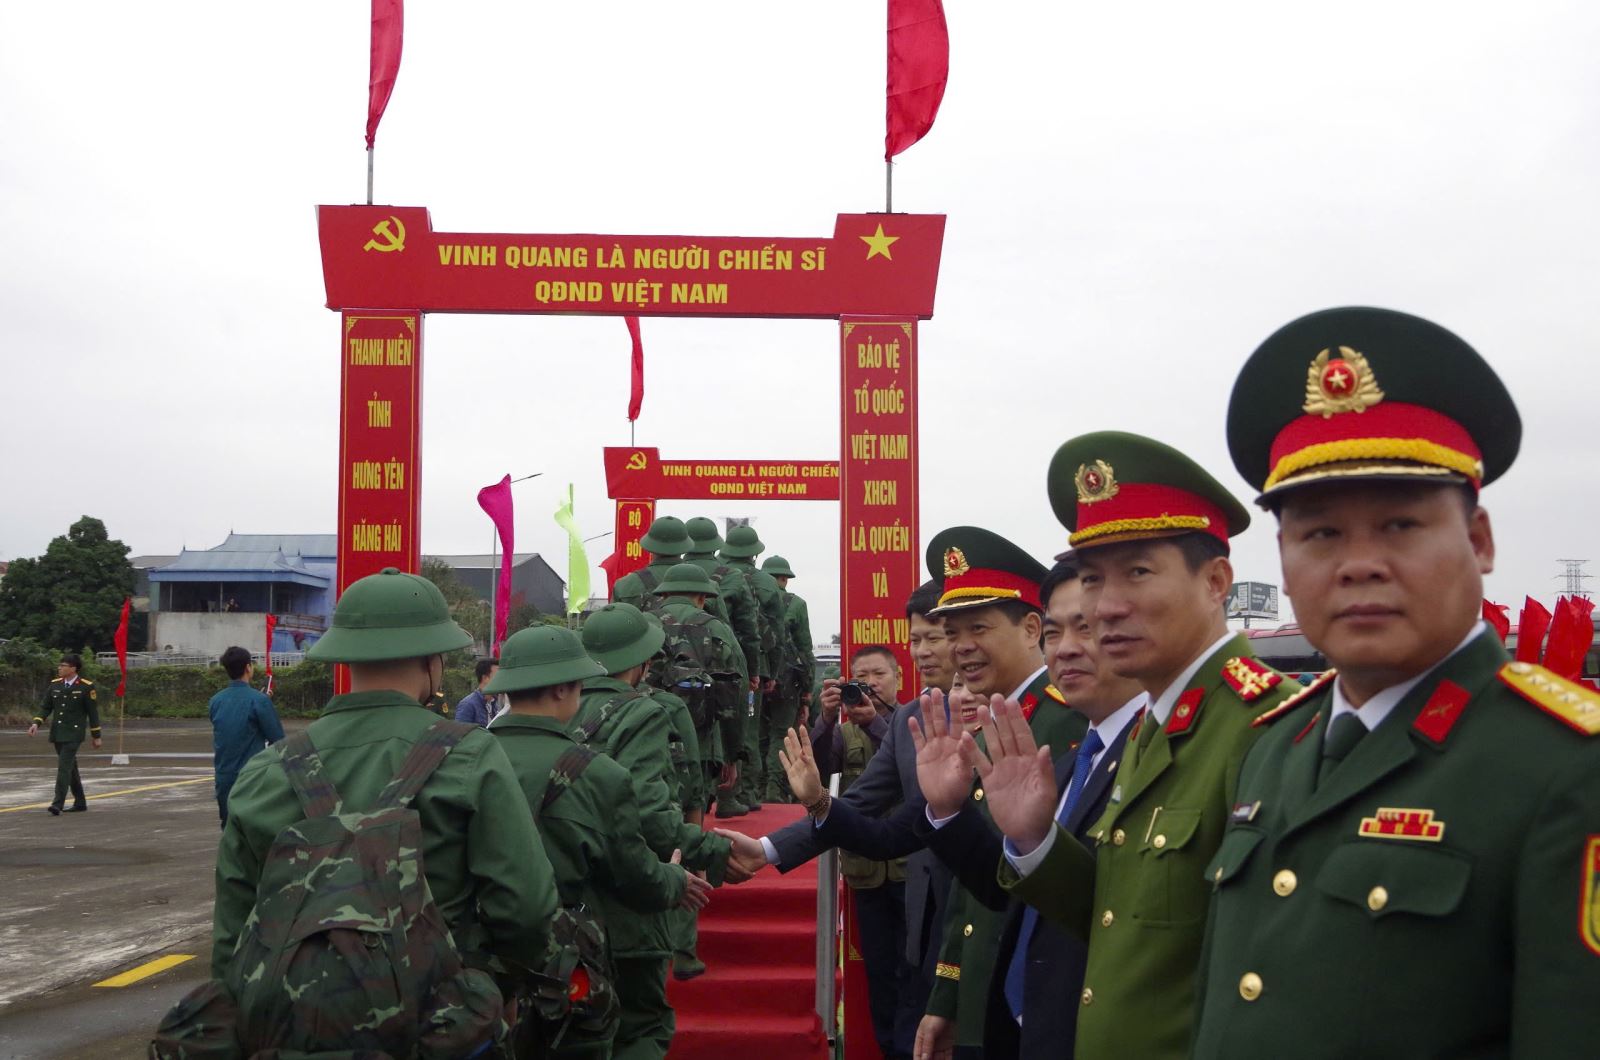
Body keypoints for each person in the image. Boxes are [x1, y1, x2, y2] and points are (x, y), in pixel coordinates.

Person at [1184, 306, 1600, 1057]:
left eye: (1400, 525)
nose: (1358, 564)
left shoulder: (1566, 768)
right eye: (1320, 533)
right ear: (1283, 562)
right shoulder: (1277, 745)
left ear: (1480, 541)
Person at [977, 433, 1296, 1059]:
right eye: (1093, 579)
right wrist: (1037, 840)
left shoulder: (1267, 724)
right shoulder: (1157, 722)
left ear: (1216, 581)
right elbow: (1129, 924)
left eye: (1138, 572)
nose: (1107, 607)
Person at [213, 568, 559, 1030]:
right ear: (433, 659)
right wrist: (501, 987)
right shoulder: (471, 756)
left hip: (295, 1030)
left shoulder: (266, 771)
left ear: (346, 655)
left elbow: (233, 932)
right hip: (439, 1023)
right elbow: (526, 907)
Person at [911, 559, 1146, 1059]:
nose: (1067, 648)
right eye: (1058, 632)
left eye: (1086, 628)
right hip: (1015, 1012)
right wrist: (948, 812)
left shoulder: (1103, 735)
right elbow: (1006, 891)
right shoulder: (1067, 742)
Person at [718, 580, 956, 1029]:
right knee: (900, 1016)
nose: (923, 651)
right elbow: (860, 802)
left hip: (976, 917)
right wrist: (767, 849)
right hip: (913, 899)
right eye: (916, 640)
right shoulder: (910, 721)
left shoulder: (1001, 710)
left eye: (936, 638)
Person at [485, 624, 711, 1059]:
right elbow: (632, 868)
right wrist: (675, 880)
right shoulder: (599, 774)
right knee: (636, 1034)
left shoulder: (465, 755)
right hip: (567, 955)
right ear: (563, 688)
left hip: (485, 956)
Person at [574, 598, 735, 1059]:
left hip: (564, 905)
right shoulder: (643, 712)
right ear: (642, 661)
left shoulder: (554, 706)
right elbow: (653, 809)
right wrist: (709, 850)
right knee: (640, 1027)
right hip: (632, 902)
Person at [810, 645, 920, 1060]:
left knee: (916, 966)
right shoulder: (844, 733)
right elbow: (818, 777)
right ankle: (891, 1049)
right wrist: (824, 720)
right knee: (879, 970)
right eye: (861, 677)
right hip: (866, 869)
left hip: (912, 868)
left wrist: (876, 723)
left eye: (878, 674)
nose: (870, 684)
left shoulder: (916, 722)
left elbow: (911, 772)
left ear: (899, 679)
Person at [717, 525, 795, 812]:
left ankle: (719, 790)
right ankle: (746, 792)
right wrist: (771, 671)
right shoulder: (766, 583)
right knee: (748, 727)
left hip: (716, 662)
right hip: (753, 667)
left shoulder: (718, 575)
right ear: (754, 553)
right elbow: (776, 632)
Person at [207, 646, 284, 827]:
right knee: (253, 829)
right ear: (248, 668)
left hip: (223, 777)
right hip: (251, 779)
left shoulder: (215, 701)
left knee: (229, 829)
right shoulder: (259, 701)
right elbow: (279, 741)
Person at [761, 554, 816, 801]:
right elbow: (805, 650)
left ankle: (753, 789)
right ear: (785, 579)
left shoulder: (752, 601)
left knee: (755, 735)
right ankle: (774, 790)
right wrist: (807, 692)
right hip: (787, 681)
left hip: (756, 677)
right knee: (781, 734)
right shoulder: (796, 604)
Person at [28, 653, 101, 815]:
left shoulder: (86, 686)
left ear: (73, 668)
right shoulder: (55, 685)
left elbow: (93, 713)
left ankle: (57, 803)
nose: (59, 668)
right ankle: (80, 802)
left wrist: (96, 736)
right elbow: (46, 707)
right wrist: (36, 723)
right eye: (59, 665)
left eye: (63, 665)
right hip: (58, 732)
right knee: (70, 767)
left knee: (63, 767)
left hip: (74, 733)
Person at [612, 516, 690, 612]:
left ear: (649, 545)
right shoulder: (702, 582)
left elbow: (614, 620)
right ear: (685, 546)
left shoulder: (624, 585)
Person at [454, 657, 500, 727]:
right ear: (485, 678)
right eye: (497, 676)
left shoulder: (495, 704)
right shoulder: (468, 705)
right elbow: (460, 732)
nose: (501, 679)